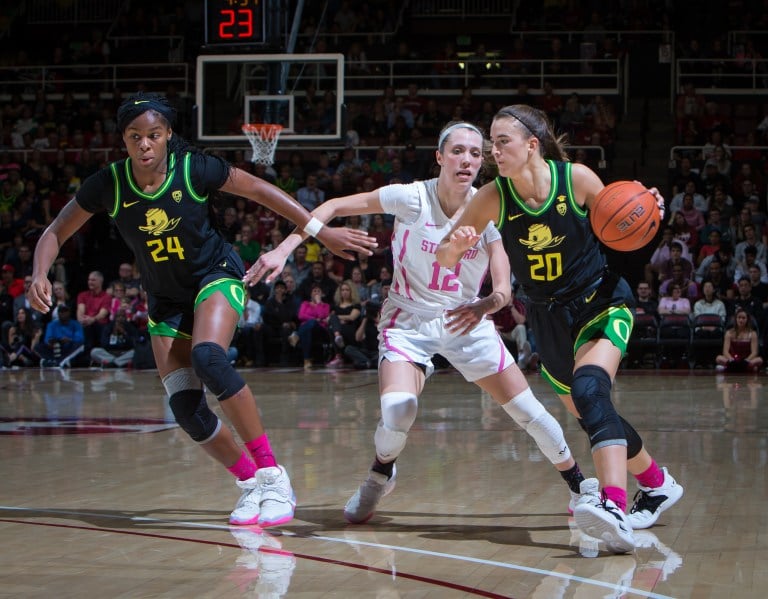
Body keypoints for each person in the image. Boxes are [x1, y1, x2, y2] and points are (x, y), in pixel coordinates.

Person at [26, 92, 375, 528]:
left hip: (215, 275)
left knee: (208, 357)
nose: (145, 144)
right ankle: (250, 485)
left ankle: (273, 475)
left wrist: (320, 232)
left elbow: (263, 191)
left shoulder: (193, 167)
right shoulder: (110, 184)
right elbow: (56, 230)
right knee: (187, 411)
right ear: (124, 141)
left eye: (153, 135)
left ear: (168, 134)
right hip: (165, 301)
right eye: (135, 137)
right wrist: (39, 273)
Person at [247, 121, 590, 527]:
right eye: (458, 151)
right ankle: (380, 473)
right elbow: (334, 205)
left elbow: (502, 290)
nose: (467, 159)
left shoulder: (490, 205)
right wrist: (286, 249)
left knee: (529, 412)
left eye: (476, 153)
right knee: (398, 409)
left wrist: (486, 305)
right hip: (408, 319)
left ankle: (582, 487)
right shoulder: (411, 197)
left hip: (467, 319)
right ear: (440, 157)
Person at [435, 105, 684, 554]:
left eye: (502, 141)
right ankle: (656, 482)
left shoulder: (577, 179)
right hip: (547, 318)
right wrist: (454, 248)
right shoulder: (493, 196)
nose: (494, 150)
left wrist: (648, 207)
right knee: (591, 412)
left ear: (532, 144)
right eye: (492, 142)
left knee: (591, 390)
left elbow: (623, 215)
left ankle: (613, 505)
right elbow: (444, 258)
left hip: (599, 300)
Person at [716, 308, 763, 373]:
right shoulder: (729, 333)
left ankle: (732, 368)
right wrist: (731, 360)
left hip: (747, 360)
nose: (741, 320)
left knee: (759, 360)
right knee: (719, 358)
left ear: (747, 320)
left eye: (743, 318)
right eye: (739, 317)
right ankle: (738, 367)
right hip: (732, 360)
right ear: (735, 319)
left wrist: (746, 361)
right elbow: (725, 351)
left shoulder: (752, 334)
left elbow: (754, 352)